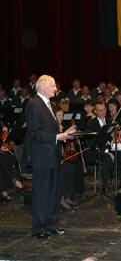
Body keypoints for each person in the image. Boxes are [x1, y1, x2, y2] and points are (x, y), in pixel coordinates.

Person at [25, 75, 75, 239]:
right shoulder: (34, 104)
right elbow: (35, 132)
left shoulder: (50, 105)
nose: (56, 89)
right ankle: (38, 227)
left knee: (53, 191)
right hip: (41, 156)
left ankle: (50, 224)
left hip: (52, 154)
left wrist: (63, 134)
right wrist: (57, 137)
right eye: (53, 86)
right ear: (43, 86)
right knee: (41, 192)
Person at [84, 102, 114, 193]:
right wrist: (105, 150)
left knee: (120, 154)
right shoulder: (91, 124)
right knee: (107, 157)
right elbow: (91, 143)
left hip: (108, 147)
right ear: (95, 112)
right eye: (100, 110)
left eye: (104, 109)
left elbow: (111, 137)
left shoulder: (110, 121)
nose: (103, 112)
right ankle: (105, 185)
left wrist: (111, 145)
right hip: (95, 150)